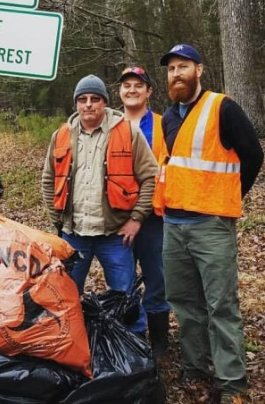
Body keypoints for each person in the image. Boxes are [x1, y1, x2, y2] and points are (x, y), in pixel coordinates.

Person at [154, 44, 264, 403]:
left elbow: (253, 154)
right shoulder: (168, 117)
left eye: (183, 66)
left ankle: (232, 383)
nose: (176, 74)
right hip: (174, 225)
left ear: (199, 70)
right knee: (185, 303)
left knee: (221, 306)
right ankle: (195, 369)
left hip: (211, 226)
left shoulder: (222, 108)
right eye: (171, 69)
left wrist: (228, 200)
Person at [41, 74, 158, 334]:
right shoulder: (61, 135)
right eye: (83, 99)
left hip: (114, 235)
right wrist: (58, 221)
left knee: (125, 296)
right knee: (64, 297)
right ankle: (69, 346)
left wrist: (136, 218)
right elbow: (48, 179)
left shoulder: (128, 132)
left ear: (104, 102)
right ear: (76, 104)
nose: (89, 104)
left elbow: (150, 177)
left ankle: (134, 349)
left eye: (95, 99)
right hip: (73, 235)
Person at [118, 66, 170, 358]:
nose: (132, 90)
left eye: (138, 85)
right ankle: (132, 337)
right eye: (127, 85)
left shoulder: (164, 125)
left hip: (154, 218)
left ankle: (160, 341)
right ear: (120, 92)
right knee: (123, 280)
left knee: (156, 278)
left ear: (149, 91)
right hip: (118, 217)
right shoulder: (111, 124)